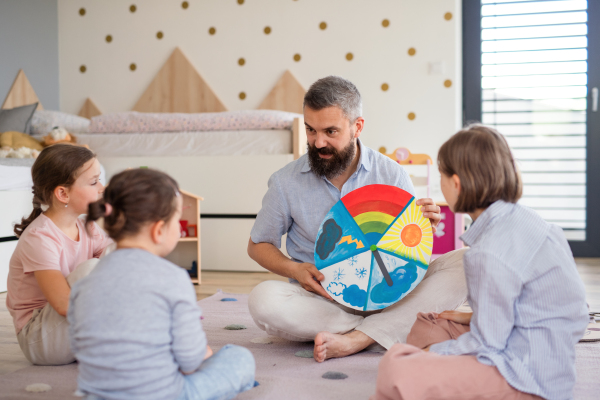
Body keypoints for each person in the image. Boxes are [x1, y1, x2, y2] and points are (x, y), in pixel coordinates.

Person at [247, 76, 468, 362]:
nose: (318, 142)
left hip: (391, 295)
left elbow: (407, 250)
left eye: (330, 131)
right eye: (310, 130)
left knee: (467, 262)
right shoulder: (284, 182)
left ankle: (359, 338)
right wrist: (295, 270)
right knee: (262, 301)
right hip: (323, 301)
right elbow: (257, 245)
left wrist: (423, 229)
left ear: (357, 127)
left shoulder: (391, 174)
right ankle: (385, 331)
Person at [371, 125, 589, 400]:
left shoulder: (487, 253)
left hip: (524, 377)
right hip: (541, 357)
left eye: (442, 176)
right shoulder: (534, 222)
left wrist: (429, 356)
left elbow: (489, 345)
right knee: (429, 325)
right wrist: (475, 317)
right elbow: (577, 311)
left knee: (396, 366)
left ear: (457, 183)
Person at [69, 168, 256, 400]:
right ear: (158, 230)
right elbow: (190, 362)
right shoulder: (173, 279)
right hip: (166, 394)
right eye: (178, 220)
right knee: (238, 357)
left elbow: (79, 349)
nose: (179, 227)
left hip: (98, 394)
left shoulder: (84, 284)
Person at [6, 144, 111, 365]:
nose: (102, 187)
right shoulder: (40, 237)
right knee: (93, 267)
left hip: (74, 328)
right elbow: (63, 305)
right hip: (41, 340)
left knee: (120, 252)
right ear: (63, 193)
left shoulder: (88, 227)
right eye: (94, 182)